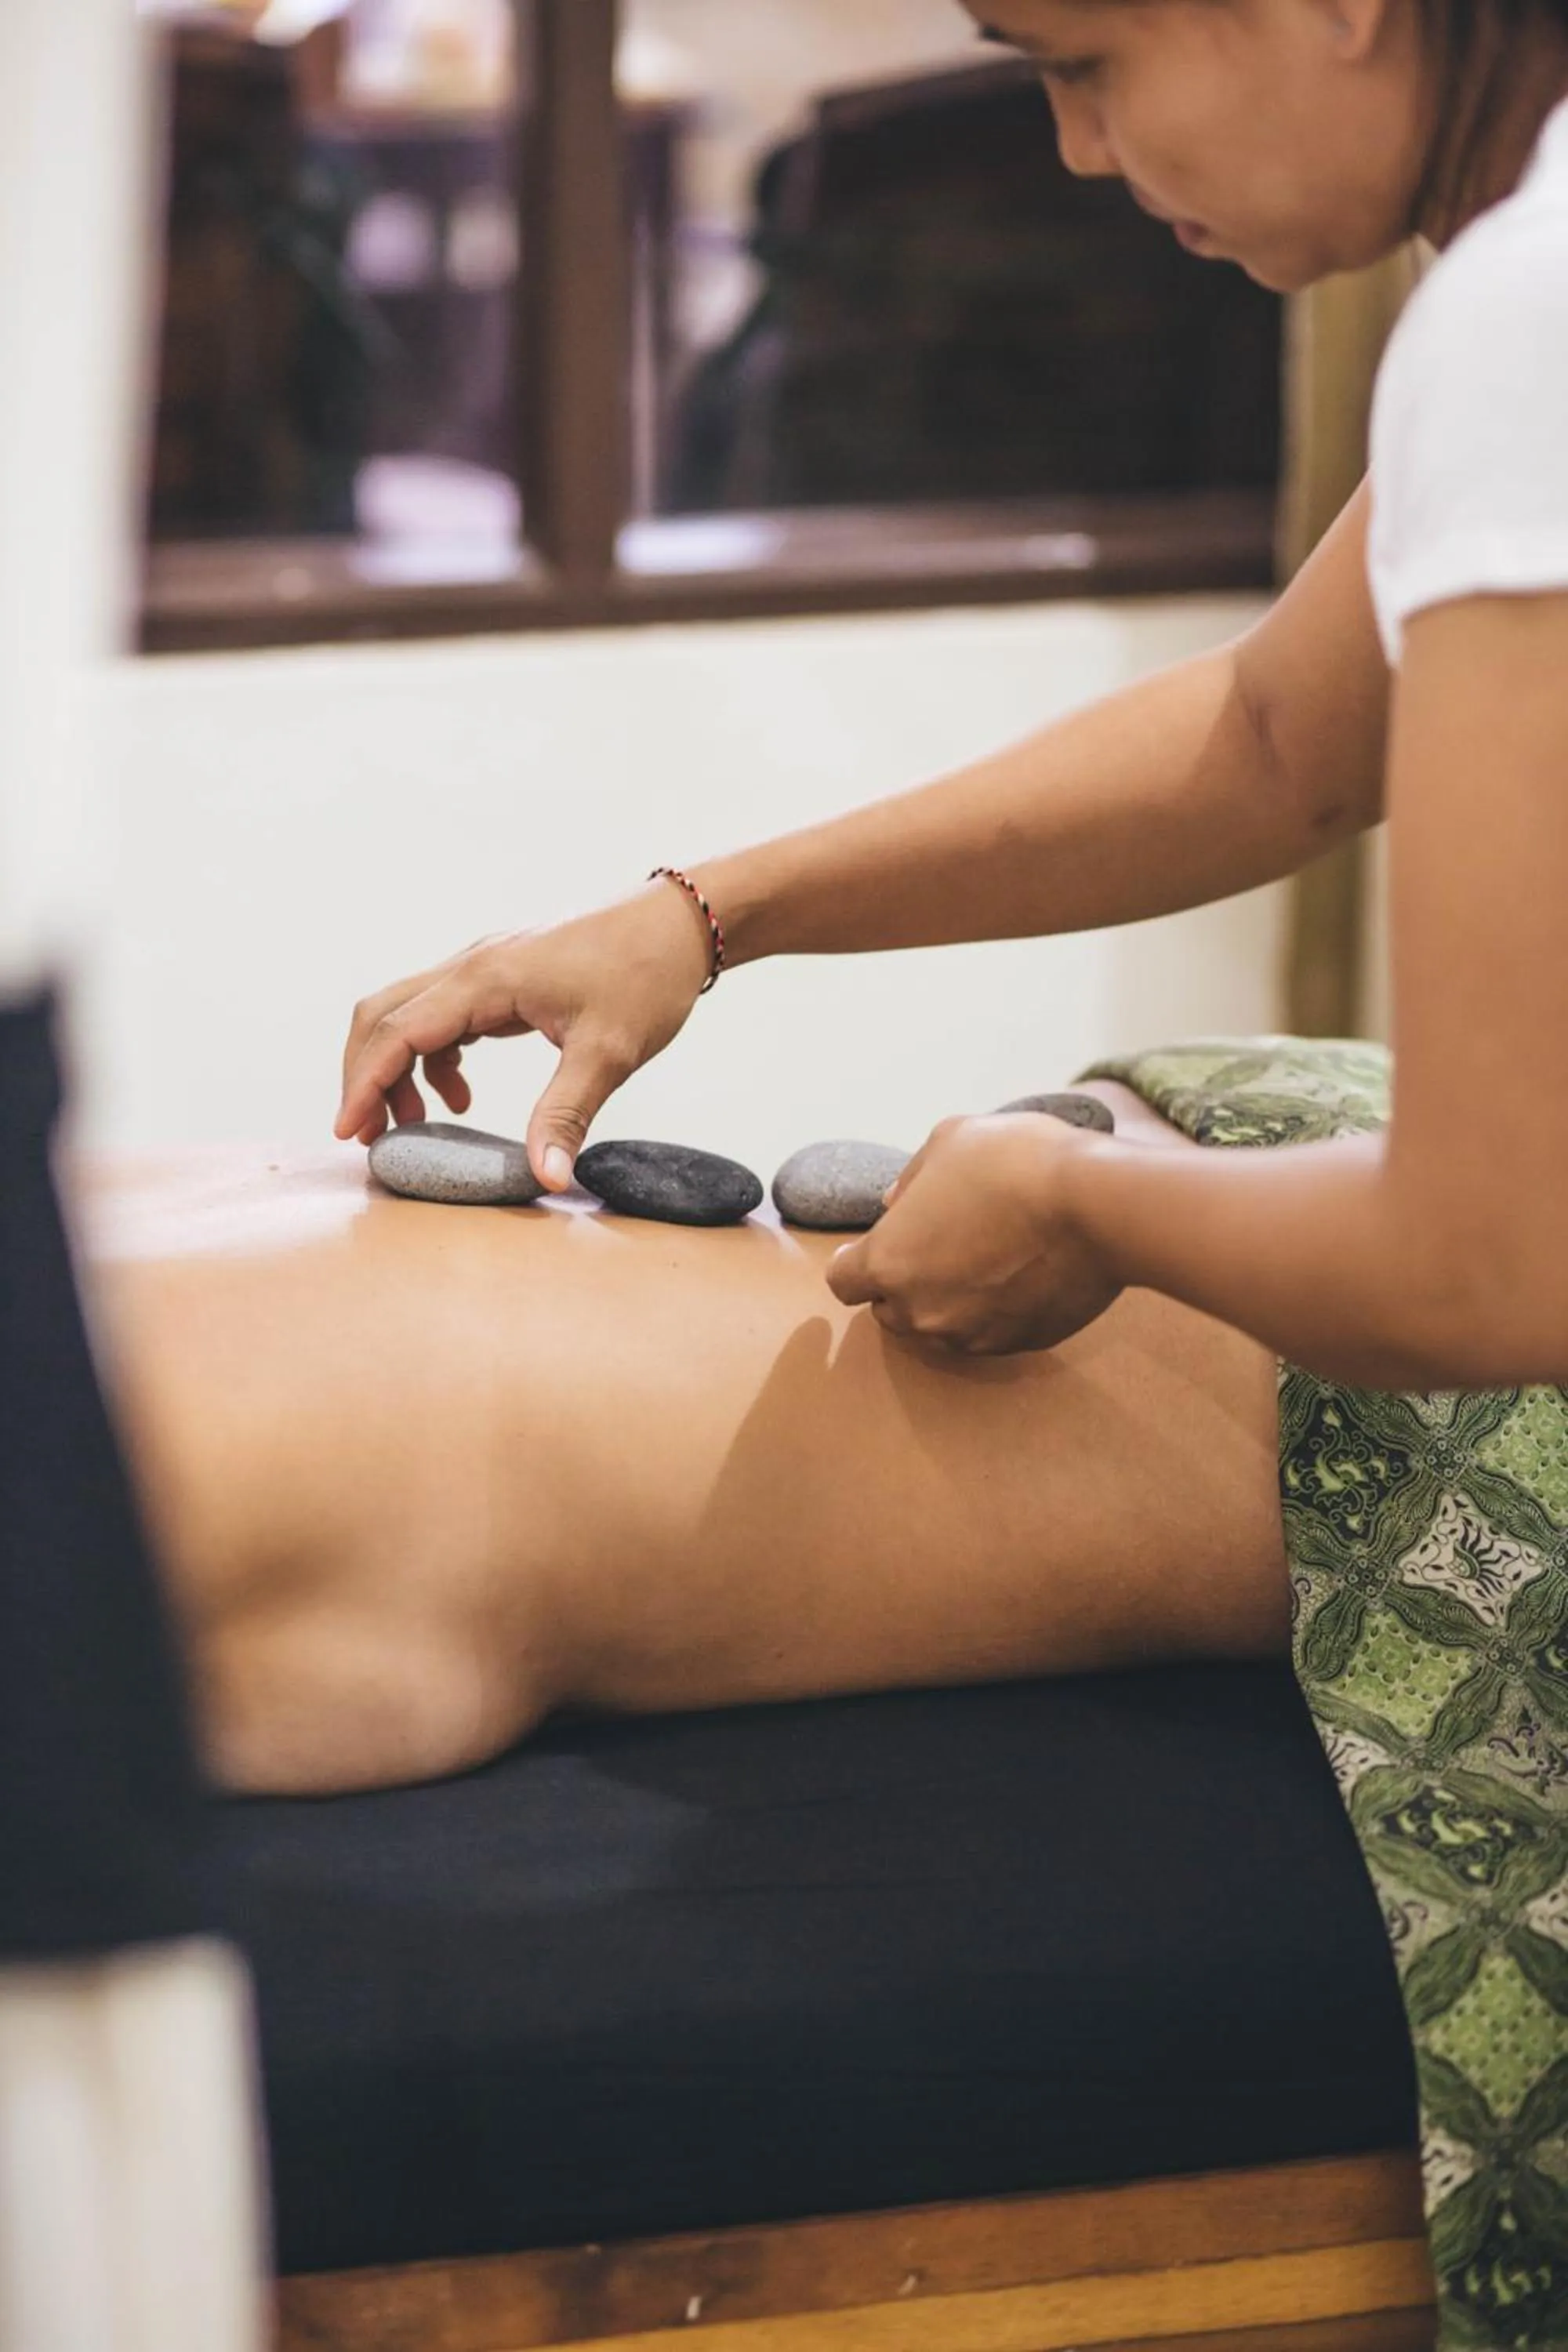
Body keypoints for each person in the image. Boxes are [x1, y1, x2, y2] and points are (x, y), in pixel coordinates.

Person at [325, 2, 1568, 2341]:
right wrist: (701, 913)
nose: (1080, 155)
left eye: (1085, 58)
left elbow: (1501, 1250)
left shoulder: (1533, 308)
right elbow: (1290, 729)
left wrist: (1086, 1201)